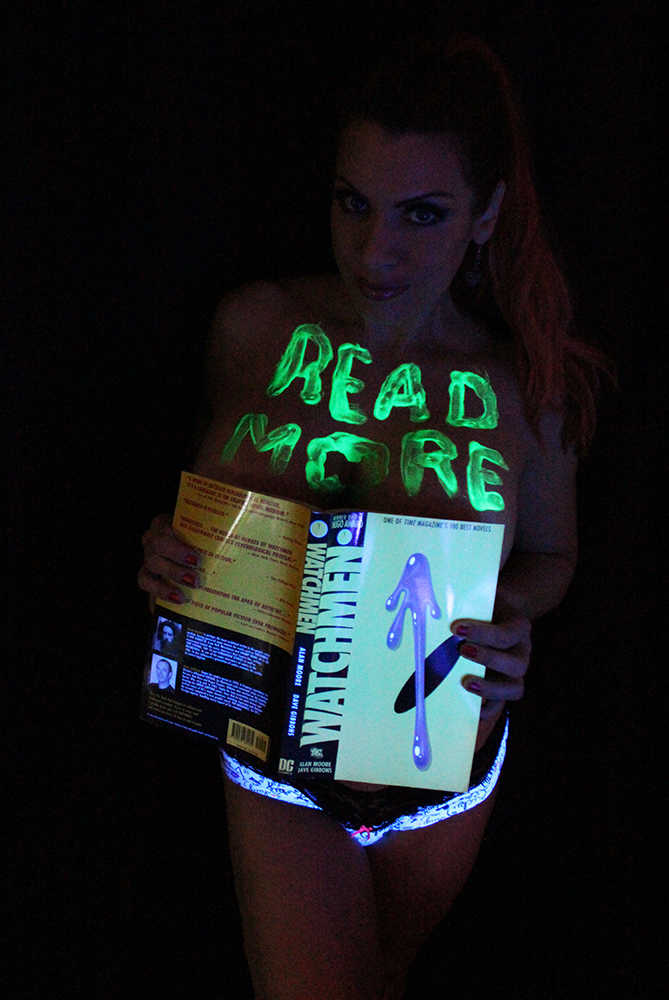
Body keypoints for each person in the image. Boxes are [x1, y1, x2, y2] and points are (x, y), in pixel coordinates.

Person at [138, 34, 603, 1000]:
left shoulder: (529, 389)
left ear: (485, 215)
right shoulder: (256, 327)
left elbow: (553, 554)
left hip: (449, 766)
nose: (374, 250)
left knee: (384, 977)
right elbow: (205, 518)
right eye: (353, 202)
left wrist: (512, 614)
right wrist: (168, 555)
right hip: (278, 756)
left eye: (420, 213)